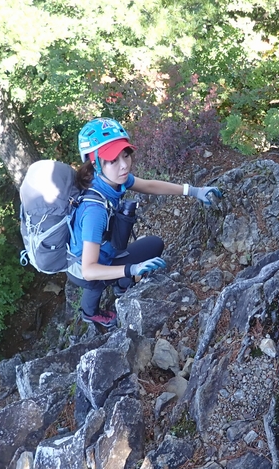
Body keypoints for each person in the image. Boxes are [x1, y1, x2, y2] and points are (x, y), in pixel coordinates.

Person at [66, 118, 222, 328]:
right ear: (95, 163)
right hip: (84, 268)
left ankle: (120, 285)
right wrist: (132, 269)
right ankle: (90, 313)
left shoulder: (111, 180)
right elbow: (89, 270)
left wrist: (194, 191)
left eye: (126, 155)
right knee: (95, 283)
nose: (124, 165)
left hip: (104, 250)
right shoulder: (94, 211)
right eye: (113, 160)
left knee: (153, 245)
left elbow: (149, 186)